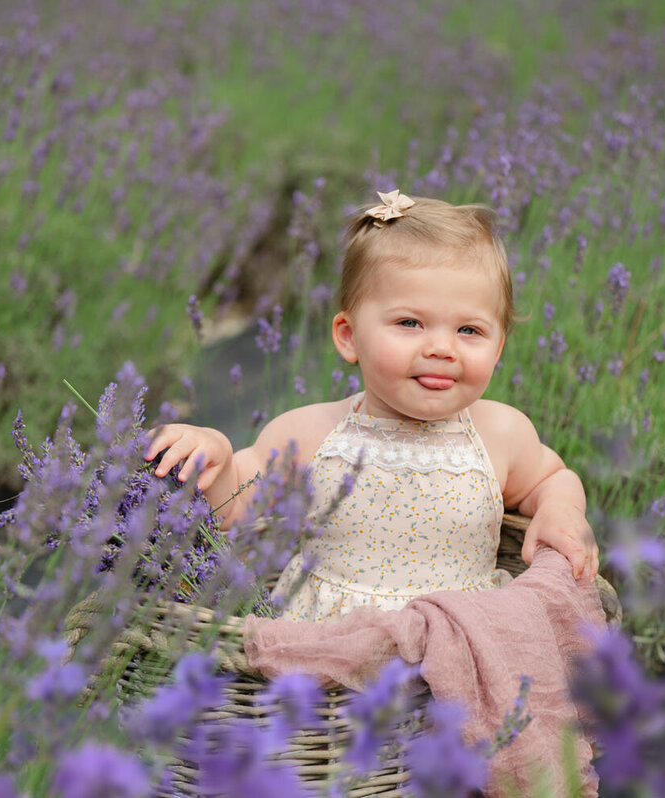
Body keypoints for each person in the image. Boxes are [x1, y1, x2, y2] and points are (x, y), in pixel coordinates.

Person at [145, 189, 598, 622]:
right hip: (330, 648)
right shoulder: (310, 433)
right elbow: (236, 503)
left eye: (470, 331)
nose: (441, 348)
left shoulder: (501, 433)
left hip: (456, 642)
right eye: (410, 322)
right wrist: (215, 454)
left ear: (498, 349)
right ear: (348, 335)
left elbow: (553, 478)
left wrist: (561, 510)